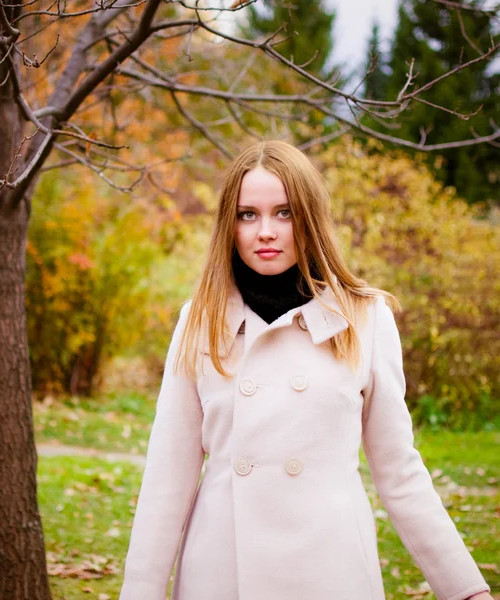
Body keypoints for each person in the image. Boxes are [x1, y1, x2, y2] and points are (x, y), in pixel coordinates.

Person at [118, 141, 492, 600]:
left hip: (330, 569)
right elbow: (166, 480)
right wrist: (140, 591)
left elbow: (400, 473)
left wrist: (466, 590)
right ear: (228, 226)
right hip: (222, 572)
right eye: (247, 215)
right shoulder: (199, 321)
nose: (266, 231)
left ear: (309, 218)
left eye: (285, 213)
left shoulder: (366, 319)